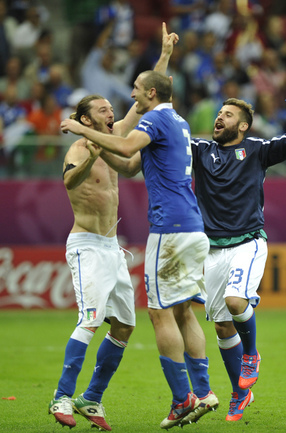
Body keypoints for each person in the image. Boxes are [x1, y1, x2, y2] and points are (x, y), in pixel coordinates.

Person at [156, 35, 286, 422]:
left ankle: (252, 354)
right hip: (211, 251)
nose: (220, 117)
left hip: (248, 242)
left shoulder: (257, 150)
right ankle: (240, 392)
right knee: (221, 325)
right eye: (219, 113)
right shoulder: (201, 151)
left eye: (229, 115)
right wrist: (163, 73)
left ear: (244, 125)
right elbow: (167, 123)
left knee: (236, 303)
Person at [60, 22, 219, 431]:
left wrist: (82, 129)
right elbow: (129, 165)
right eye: (103, 109)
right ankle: (202, 391)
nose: (124, 101)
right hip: (189, 226)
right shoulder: (174, 119)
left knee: (158, 314)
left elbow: (131, 137)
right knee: (181, 313)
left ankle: (182, 400)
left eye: (134, 90)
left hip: (168, 227)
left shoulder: (142, 124)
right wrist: (164, 56)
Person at [48, 22, 177, 433]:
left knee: (124, 325)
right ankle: (61, 396)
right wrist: (90, 153)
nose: (112, 112)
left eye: (110, 109)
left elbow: (148, 99)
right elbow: (69, 183)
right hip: (86, 245)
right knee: (89, 319)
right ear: (86, 118)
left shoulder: (116, 134)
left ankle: (92, 398)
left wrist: (164, 56)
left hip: (111, 246)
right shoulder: (78, 147)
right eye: (103, 109)